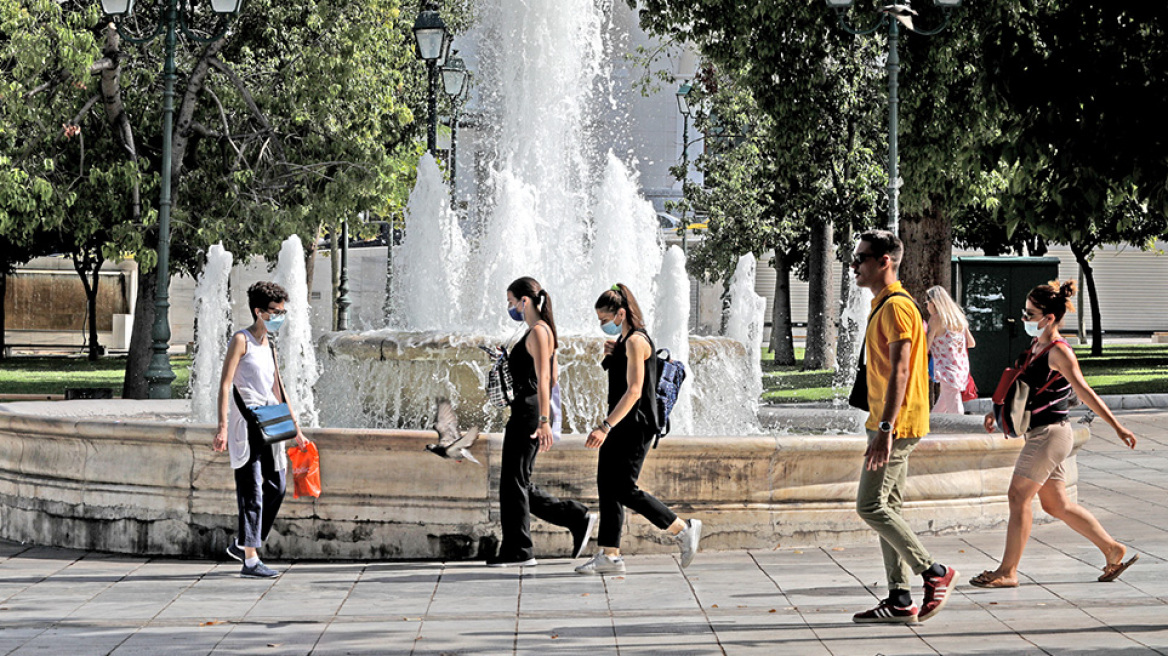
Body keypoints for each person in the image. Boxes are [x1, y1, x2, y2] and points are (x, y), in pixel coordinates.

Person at [971, 279, 1139, 588]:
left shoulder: (1059, 351)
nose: (1024, 319)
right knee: (1056, 504)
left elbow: (1085, 392)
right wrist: (995, 413)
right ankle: (1112, 549)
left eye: (1029, 314)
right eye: (1025, 312)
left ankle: (1008, 571)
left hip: (1050, 435)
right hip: (1044, 433)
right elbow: (1023, 389)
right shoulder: (1037, 346)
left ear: (1049, 318)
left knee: (1018, 495)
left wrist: (1117, 426)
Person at [850, 231, 957, 624]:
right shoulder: (885, 305)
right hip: (891, 420)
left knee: (870, 505)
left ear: (884, 262)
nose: (854, 266)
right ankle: (898, 599)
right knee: (888, 506)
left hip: (896, 423)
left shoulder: (896, 307)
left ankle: (934, 572)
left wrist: (885, 427)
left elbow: (901, 369)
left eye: (860, 259)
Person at [576, 283, 701, 575]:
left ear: (621, 313)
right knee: (607, 486)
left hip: (635, 425)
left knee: (623, 487)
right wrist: (613, 352)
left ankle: (682, 529)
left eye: (605, 319)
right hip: (622, 423)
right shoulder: (625, 341)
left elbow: (633, 391)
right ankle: (610, 555)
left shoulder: (635, 341)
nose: (602, 325)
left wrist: (604, 427)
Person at [488, 277, 597, 567]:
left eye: (512, 302)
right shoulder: (542, 332)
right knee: (517, 480)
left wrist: (545, 420)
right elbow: (551, 374)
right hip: (529, 407)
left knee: (514, 480)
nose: (510, 308)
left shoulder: (538, 332)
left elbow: (547, 378)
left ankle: (520, 550)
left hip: (530, 410)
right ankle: (575, 516)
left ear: (526, 301)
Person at [212, 281, 309, 578]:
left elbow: (279, 388)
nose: (280, 316)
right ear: (259, 311)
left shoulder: (271, 345)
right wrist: (222, 426)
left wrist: (297, 429)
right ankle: (251, 560)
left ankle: (244, 543)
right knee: (252, 490)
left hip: (271, 421)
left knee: (276, 487)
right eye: (275, 311)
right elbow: (226, 384)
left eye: (283, 311)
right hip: (246, 423)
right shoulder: (241, 340)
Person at [925, 285, 976, 414]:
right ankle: (930, 430)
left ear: (933, 303)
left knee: (955, 409)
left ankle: (962, 433)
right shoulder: (958, 318)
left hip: (946, 369)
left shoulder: (936, 319)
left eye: (927, 303)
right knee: (943, 404)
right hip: (961, 367)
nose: (926, 307)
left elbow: (925, 347)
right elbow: (971, 343)